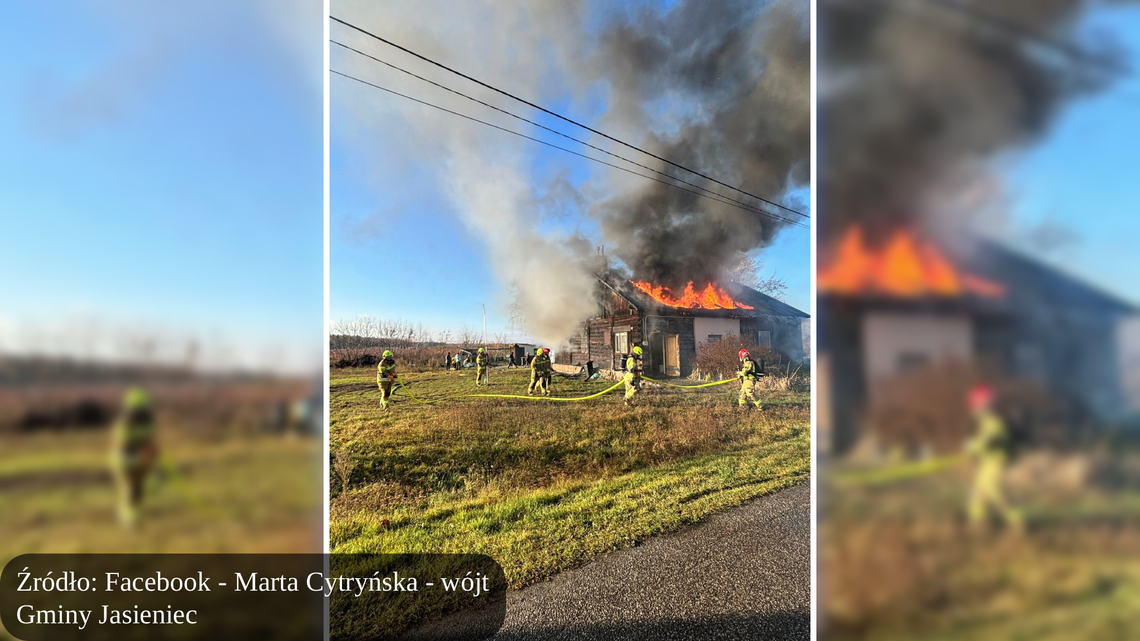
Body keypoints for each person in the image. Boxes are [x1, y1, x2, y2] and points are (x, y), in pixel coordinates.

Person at [966, 384, 1022, 530]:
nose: (974, 407)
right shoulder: (985, 420)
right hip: (987, 461)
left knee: (994, 489)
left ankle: (1016, 521)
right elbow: (983, 439)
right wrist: (973, 447)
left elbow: (992, 439)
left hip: (997, 461)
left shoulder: (995, 420)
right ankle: (978, 524)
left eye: (976, 403)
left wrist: (975, 447)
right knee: (978, 493)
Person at [110, 386, 158, 527]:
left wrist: (152, 451)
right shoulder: (123, 426)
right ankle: (129, 521)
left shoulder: (149, 423)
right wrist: (140, 455)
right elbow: (122, 450)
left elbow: (150, 441)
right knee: (130, 490)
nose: (142, 412)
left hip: (141, 462)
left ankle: (134, 519)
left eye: (144, 409)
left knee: (138, 490)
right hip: (124, 463)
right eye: (139, 410)